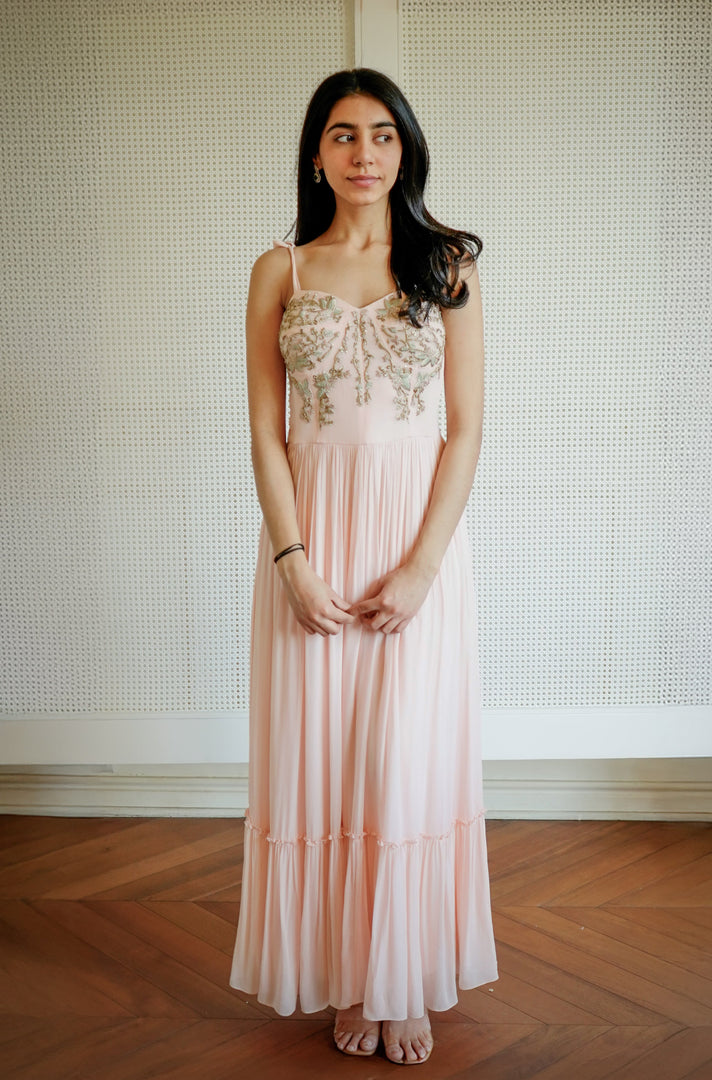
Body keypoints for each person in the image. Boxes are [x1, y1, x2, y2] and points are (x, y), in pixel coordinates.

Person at [230, 67, 498, 1066]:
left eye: (383, 135)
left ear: (406, 148)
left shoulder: (449, 265)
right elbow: (264, 430)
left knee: (406, 761)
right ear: (317, 154)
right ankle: (353, 978)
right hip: (311, 542)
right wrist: (292, 558)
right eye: (344, 135)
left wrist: (425, 566)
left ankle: (405, 980)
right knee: (325, 760)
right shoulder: (279, 270)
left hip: (415, 545)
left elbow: (466, 432)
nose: (365, 153)